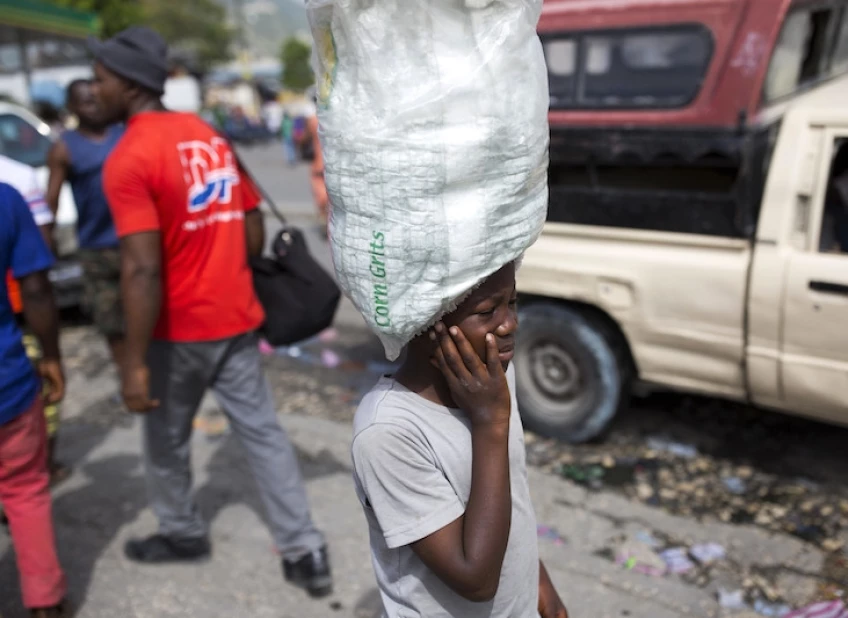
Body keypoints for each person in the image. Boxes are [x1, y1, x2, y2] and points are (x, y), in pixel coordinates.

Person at [89, 26, 333, 597]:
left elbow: (141, 270)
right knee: (264, 434)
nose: (94, 90)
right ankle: (306, 551)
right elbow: (251, 223)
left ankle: (182, 533)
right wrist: (221, 265)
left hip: (176, 331)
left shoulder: (129, 157)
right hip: (238, 318)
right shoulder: (207, 134)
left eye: (100, 80)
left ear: (129, 84)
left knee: (165, 440)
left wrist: (133, 362)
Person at [351, 262, 569, 618]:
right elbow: (476, 581)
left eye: (513, 302)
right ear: (423, 323)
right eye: (487, 311)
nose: (510, 323)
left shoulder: (492, 378)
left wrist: (538, 582)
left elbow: (509, 495)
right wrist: (490, 422)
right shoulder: (388, 433)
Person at [0, 181, 68, 618]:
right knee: (25, 489)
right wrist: (52, 356)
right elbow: (38, 288)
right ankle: (45, 602)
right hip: (7, 381)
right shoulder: (6, 199)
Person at [46, 79, 126, 366]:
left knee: (148, 313)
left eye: (96, 100)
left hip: (135, 242)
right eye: (85, 102)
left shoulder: (124, 134)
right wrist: (48, 244)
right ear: (72, 107)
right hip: (96, 249)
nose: (93, 107)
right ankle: (127, 375)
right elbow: (52, 200)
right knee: (111, 322)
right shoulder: (64, 148)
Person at [0, 154, 65, 480]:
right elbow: (41, 254)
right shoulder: (17, 178)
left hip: (17, 310)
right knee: (35, 396)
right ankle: (42, 465)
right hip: (19, 314)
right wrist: (53, 355)